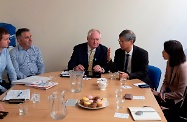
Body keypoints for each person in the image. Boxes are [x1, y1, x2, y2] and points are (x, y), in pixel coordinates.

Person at [152, 40, 187, 110]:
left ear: (172, 53)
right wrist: (161, 92)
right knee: (149, 98)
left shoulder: (183, 68)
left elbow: (180, 94)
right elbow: (166, 81)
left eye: (165, 50)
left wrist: (161, 94)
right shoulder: (169, 62)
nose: (162, 52)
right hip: (168, 94)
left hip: (177, 101)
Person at [0, 27, 17, 94]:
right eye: (6, 39)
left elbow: (11, 70)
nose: (9, 41)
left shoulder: (5, 51)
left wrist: (14, 86)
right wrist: (4, 90)